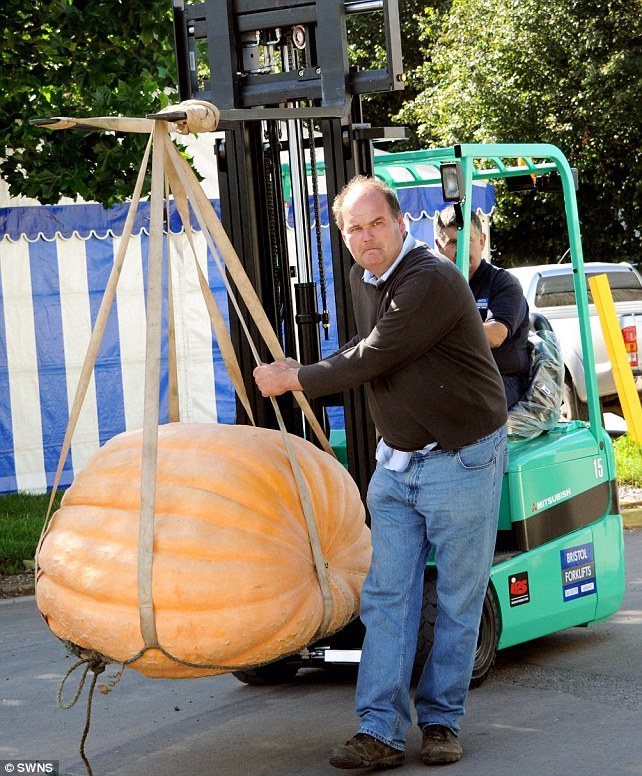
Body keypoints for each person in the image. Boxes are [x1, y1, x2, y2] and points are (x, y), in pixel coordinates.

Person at [253, 176, 508, 768]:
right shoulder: (363, 280)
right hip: (397, 462)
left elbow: (377, 354)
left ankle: (441, 722)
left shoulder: (431, 280)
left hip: (462, 457)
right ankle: (380, 732)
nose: (366, 238)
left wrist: (297, 378)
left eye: (375, 224)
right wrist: (311, 368)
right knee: (386, 596)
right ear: (342, 238)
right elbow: (362, 342)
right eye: (353, 229)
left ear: (400, 223)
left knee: (457, 597)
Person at [435, 205, 531, 409]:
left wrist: (441, 327)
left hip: (501, 378)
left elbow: (495, 335)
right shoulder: (434, 287)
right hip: (453, 377)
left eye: (467, 240)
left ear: (481, 241)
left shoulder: (503, 283)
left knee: (465, 406)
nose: (460, 249)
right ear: (438, 246)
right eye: (452, 242)